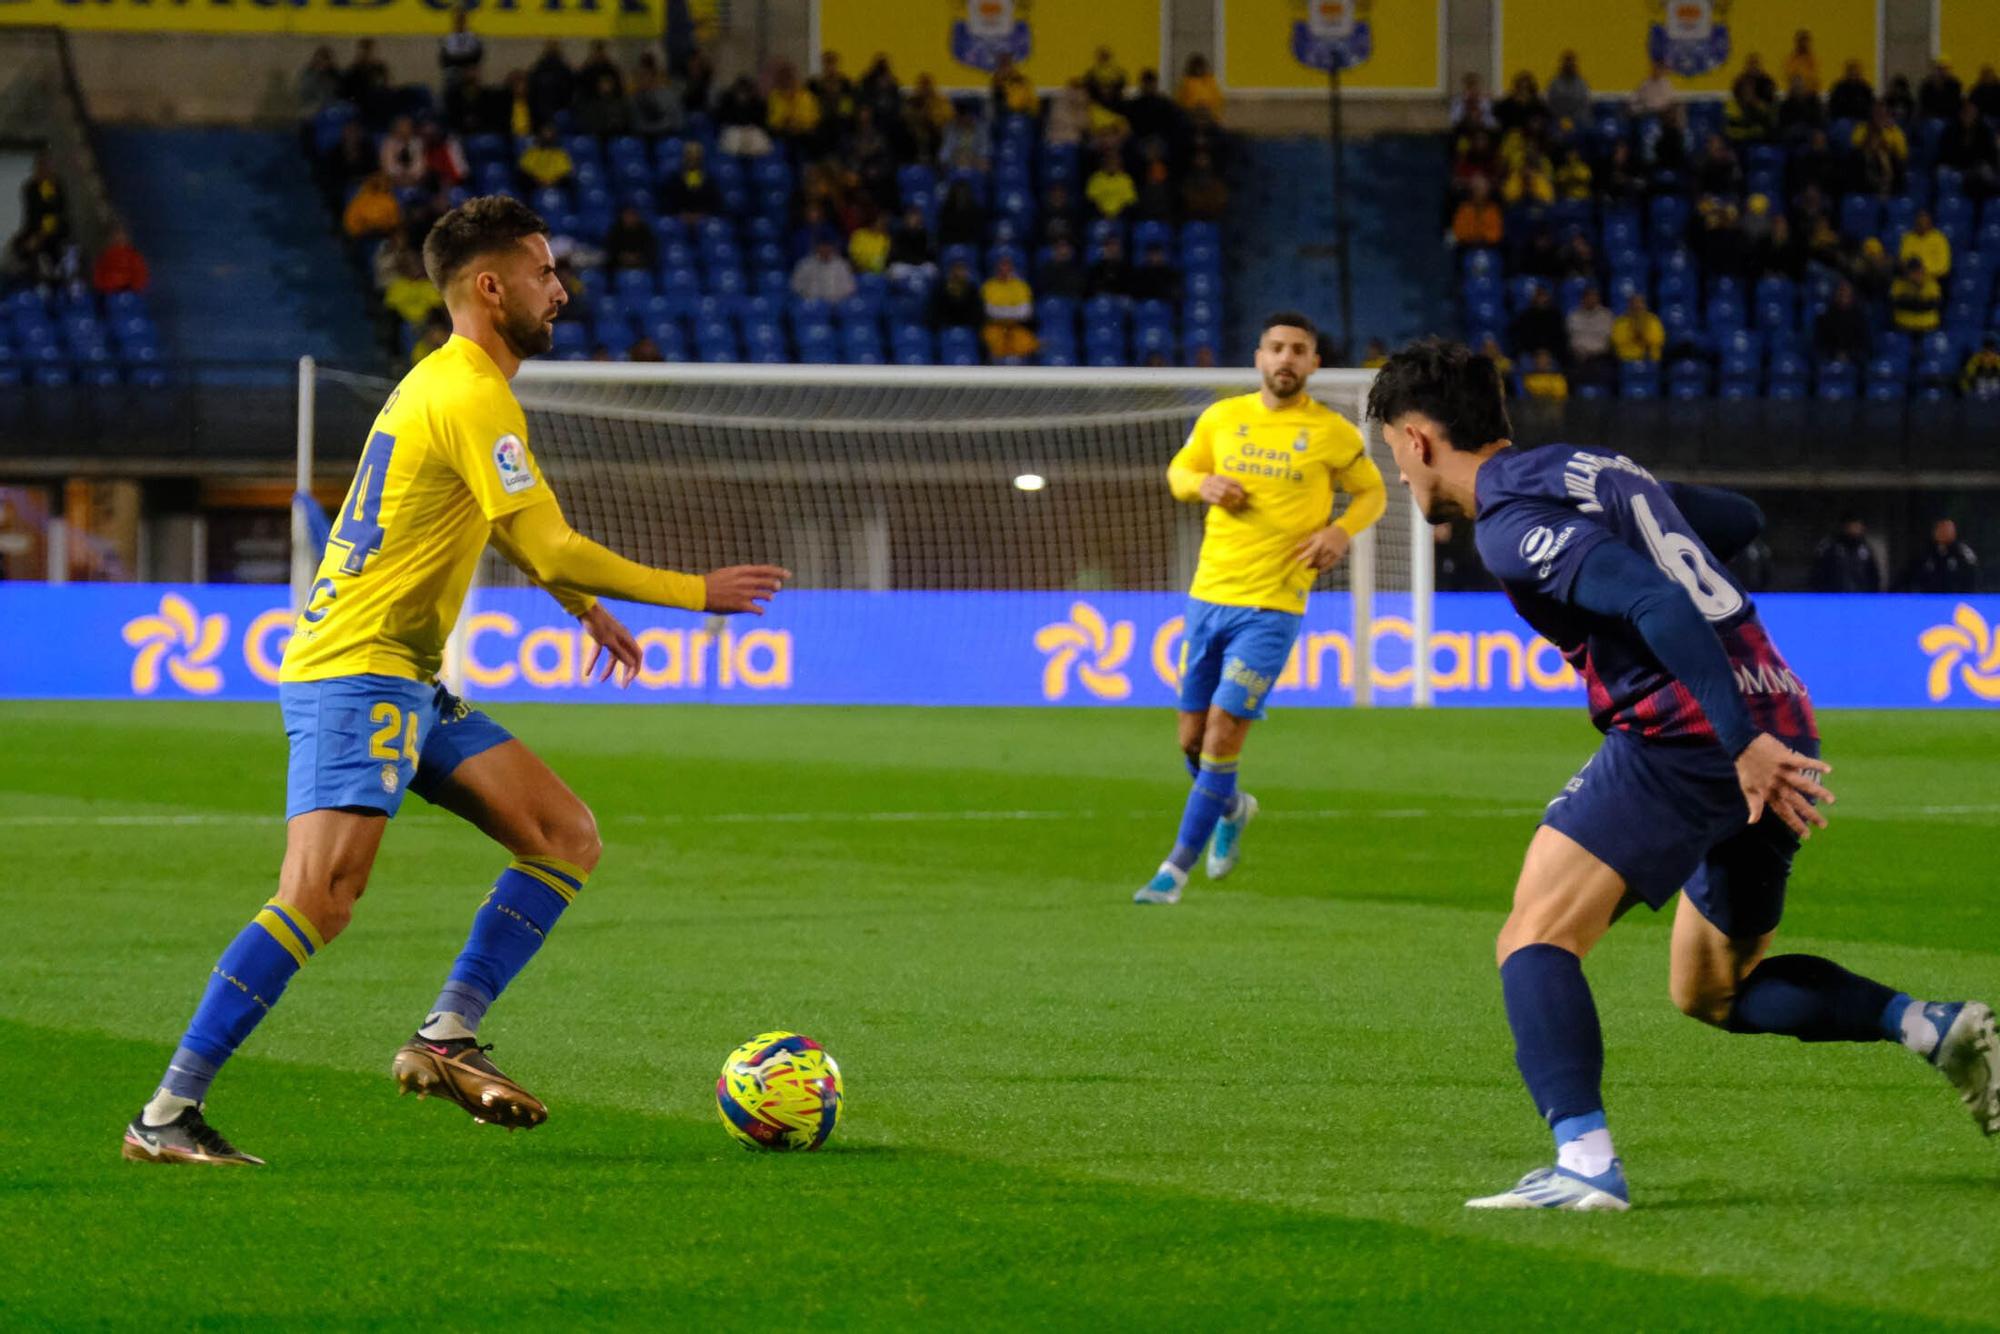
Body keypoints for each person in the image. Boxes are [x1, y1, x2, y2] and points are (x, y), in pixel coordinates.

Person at [121, 197, 788, 1166]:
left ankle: (445, 1035)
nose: (559, 289)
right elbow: (550, 537)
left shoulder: (449, 382)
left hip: (402, 675)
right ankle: (168, 1112)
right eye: (541, 271)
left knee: (563, 834)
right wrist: (692, 591)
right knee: (320, 894)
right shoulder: (471, 392)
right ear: (489, 286)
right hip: (357, 668)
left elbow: (507, 530)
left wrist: (579, 608)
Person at [1363, 337, 1999, 1211]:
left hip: (1701, 738)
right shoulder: (1587, 467)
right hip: (1779, 708)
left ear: (1418, 438)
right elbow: (1735, 517)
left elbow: (1655, 600)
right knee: (1714, 990)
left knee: (1533, 937)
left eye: (1391, 449)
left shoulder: (1509, 524)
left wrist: (1737, 745)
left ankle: (1585, 1163)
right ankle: (1933, 1028)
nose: (1398, 472)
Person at [1134, 313, 1387, 906]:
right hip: (1208, 597)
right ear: (1258, 357)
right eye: (1276, 348)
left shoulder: (1332, 431)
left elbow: (1373, 491)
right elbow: (1179, 471)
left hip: (1273, 605)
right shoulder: (1222, 418)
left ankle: (1174, 871)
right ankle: (1233, 806)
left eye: (1299, 350)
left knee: (1224, 729)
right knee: (1191, 742)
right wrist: (1205, 486)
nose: (1286, 359)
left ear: (1314, 363)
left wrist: (1341, 532)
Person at [979, 255, 1037, 363]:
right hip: (995, 328)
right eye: (1001, 268)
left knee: (1028, 342)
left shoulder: (1021, 286)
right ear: (997, 270)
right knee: (991, 340)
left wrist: (1001, 311)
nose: (1004, 271)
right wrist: (1012, 311)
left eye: (1007, 268)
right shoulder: (989, 286)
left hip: (1017, 327)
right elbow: (989, 311)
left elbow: (1025, 312)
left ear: (1012, 269)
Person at [1811, 515, 1883, 591]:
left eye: (1858, 526)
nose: (1855, 529)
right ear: (1844, 527)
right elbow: (1818, 575)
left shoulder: (1865, 549)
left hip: (1860, 597)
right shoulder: (1830, 547)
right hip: (1835, 597)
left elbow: (1874, 576)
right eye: (1852, 526)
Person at [1813, 281, 1871, 365]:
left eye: (1846, 293)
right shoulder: (1826, 317)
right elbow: (1820, 343)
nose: (1843, 295)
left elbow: (1864, 343)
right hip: (1830, 359)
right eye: (1841, 292)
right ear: (1836, 295)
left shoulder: (1859, 318)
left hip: (1853, 360)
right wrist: (1835, 354)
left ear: (1852, 296)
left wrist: (1849, 355)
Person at [661, 141, 720, 222]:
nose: (693, 157)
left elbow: (714, 203)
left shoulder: (709, 179)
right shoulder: (675, 178)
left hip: (704, 220)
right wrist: (683, 216)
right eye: (689, 154)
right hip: (681, 220)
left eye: (696, 154)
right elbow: (669, 203)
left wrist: (701, 216)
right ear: (684, 156)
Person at [1509, 285, 1567, 364]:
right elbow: (1522, 337)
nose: (1541, 299)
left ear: (1548, 297)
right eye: (1539, 296)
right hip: (1531, 352)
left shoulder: (1555, 315)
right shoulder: (1526, 315)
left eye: (1543, 296)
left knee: (1561, 361)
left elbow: (1560, 337)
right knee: (1523, 361)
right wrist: (1536, 351)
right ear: (1534, 298)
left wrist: (1548, 351)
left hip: (1552, 352)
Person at [790, 237, 856, 304]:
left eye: (828, 246)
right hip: (812, 306)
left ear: (833, 247)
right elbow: (796, 287)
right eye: (822, 246)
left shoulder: (842, 265)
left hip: (836, 307)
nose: (825, 249)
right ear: (816, 247)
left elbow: (850, 288)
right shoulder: (804, 265)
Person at [91, 224, 149, 295]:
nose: (118, 237)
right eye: (116, 234)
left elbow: (141, 276)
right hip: (108, 293)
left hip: (128, 293)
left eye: (121, 234)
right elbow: (98, 276)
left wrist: (132, 290)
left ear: (127, 237)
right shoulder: (105, 256)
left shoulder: (133, 257)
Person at [343, 172, 403, 240]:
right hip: (363, 238)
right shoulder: (359, 201)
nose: (377, 180)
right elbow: (351, 226)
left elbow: (395, 222)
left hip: (385, 236)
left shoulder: (391, 200)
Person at [885, 205, 936, 283]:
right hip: (904, 266)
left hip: (920, 265)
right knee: (894, 270)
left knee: (933, 270)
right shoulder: (899, 233)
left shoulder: (924, 233)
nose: (914, 219)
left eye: (917, 216)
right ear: (906, 218)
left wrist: (917, 232)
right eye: (912, 216)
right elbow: (894, 255)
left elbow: (930, 254)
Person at [928, 260, 984, 330]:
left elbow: (978, 314)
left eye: (962, 270)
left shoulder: (972, 289)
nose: (959, 273)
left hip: (968, 328)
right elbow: (935, 313)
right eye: (956, 270)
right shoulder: (941, 289)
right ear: (951, 272)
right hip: (946, 328)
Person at [1890, 258, 1941, 334]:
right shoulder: (1899, 283)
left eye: (1918, 271)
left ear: (1922, 270)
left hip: (1928, 325)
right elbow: (1895, 303)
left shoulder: (1931, 283)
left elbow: (1935, 304)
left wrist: (1912, 302)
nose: (1916, 274)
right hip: (1904, 325)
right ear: (1907, 272)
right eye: (1913, 272)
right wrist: (1918, 302)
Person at [1451, 175, 1503, 248]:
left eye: (1483, 190)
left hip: (1489, 248)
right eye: (1478, 189)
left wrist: (1482, 237)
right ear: (1472, 191)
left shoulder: (1493, 210)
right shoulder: (1464, 209)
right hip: (1466, 248)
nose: (1480, 193)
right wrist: (1472, 237)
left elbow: (1496, 234)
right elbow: (1458, 232)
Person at [1900, 209, 1951, 280]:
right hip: (1909, 278)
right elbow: (1904, 260)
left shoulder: (1939, 238)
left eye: (1925, 222)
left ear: (1930, 223)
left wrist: (1923, 272)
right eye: (1919, 223)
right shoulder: (1907, 238)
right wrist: (1912, 273)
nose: (1922, 225)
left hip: (1932, 279)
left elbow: (1944, 267)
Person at [1612, 294, 1664, 362]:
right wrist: (1632, 333)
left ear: (1644, 305)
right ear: (1629, 306)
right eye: (1633, 303)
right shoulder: (1621, 322)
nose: (1637, 306)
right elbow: (1617, 341)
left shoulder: (1653, 320)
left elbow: (1659, 340)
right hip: (1627, 360)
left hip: (1650, 361)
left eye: (1640, 303)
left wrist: (1643, 336)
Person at [379, 116, 427, 190]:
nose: (405, 129)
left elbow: (420, 166)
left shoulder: (418, 143)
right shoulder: (388, 143)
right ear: (396, 128)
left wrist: (411, 177)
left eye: (407, 126)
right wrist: (400, 176)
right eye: (402, 126)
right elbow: (388, 167)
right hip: (394, 184)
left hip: (415, 183)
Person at [1085, 151, 1137, 220]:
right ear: (1104, 163)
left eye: (1114, 162)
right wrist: (1103, 214)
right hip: (1099, 217)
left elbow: (1130, 201)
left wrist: (1117, 215)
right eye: (1109, 162)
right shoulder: (1096, 178)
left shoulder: (1125, 179)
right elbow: (1091, 200)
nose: (1112, 164)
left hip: (1121, 218)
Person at [439, 10, 483, 88]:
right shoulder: (448, 38)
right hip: (453, 70)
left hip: (469, 70)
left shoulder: (473, 38)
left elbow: (477, 56)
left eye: (462, 19)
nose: (460, 22)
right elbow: (444, 59)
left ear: (466, 21)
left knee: (471, 74)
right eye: (458, 19)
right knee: (451, 75)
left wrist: (461, 60)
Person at [1546, 52, 1590, 128]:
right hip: (1558, 121)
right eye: (1567, 62)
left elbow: (1584, 105)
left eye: (1571, 62)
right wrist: (1563, 120)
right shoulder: (1554, 83)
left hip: (1578, 122)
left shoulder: (1582, 84)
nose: (1569, 65)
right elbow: (1551, 105)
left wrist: (1574, 121)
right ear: (1562, 64)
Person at [1177, 54, 1223, 124]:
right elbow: (1181, 100)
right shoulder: (1187, 82)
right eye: (1196, 67)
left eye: (1200, 66)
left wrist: (1215, 115)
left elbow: (1217, 98)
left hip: (1210, 115)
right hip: (1193, 115)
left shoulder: (1210, 80)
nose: (1198, 69)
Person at [1960, 335, 2000, 401]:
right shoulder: (1977, 358)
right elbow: (1967, 375)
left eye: (1991, 349)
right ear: (1983, 349)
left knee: (1994, 384)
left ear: (1994, 350)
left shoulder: (1997, 359)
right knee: (1982, 384)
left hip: (1995, 386)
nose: (1989, 352)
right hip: (1979, 386)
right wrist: (1967, 389)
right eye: (1987, 349)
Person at [1783, 29, 1818, 95]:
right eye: (1801, 41)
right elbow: (1789, 76)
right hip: (1794, 94)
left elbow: (1815, 79)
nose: (1804, 44)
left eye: (1806, 42)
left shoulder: (1812, 60)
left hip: (1810, 94)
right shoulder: (1791, 59)